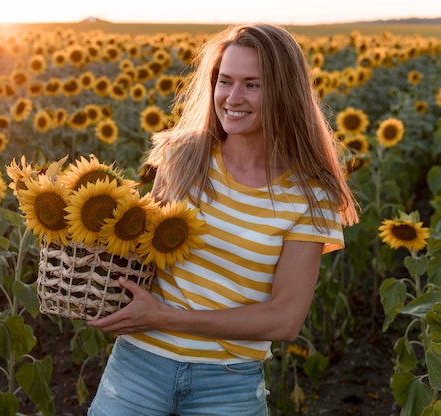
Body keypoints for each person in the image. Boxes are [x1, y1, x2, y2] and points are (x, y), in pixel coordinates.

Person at [87, 23, 359, 416]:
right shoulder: (182, 158)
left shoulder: (309, 195)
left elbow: (284, 320)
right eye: (225, 81)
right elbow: (142, 257)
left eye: (253, 85)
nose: (233, 97)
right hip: (139, 365)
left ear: (284, 93)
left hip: (227, 384)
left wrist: (165, 317)